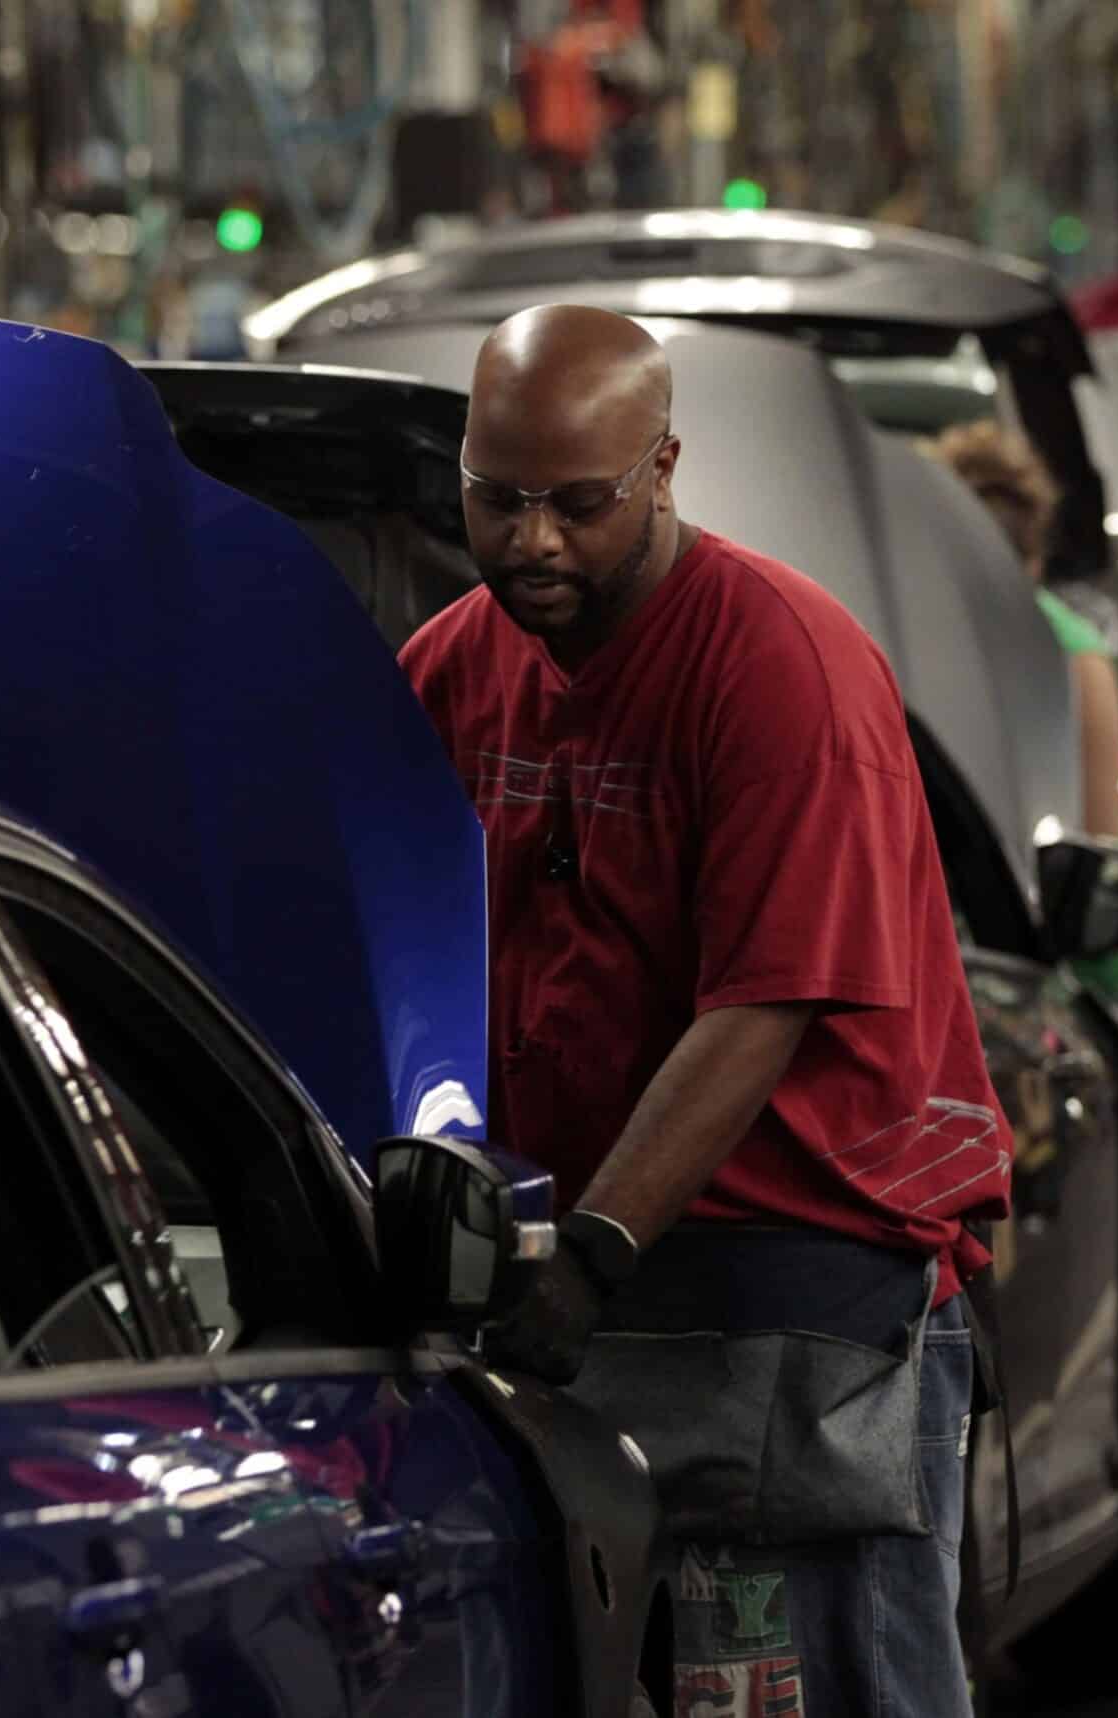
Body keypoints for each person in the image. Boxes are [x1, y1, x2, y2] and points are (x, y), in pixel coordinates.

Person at [400, 304, 1008, 1717]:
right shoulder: (451, 667)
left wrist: (593, 1248)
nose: (532, 542)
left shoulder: (779, 666)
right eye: (497, 499)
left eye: (579, 504)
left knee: (836, 1680)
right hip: (578, 1301)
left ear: (664, 467)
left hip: (791, 1301)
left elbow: (763, 1002)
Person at [928, 417, 1118, 1028]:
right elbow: (1099, 840)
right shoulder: (1072, 648)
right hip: (1080, 968)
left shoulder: (915, 644)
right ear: (1033, 559)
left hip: (1074, 975)